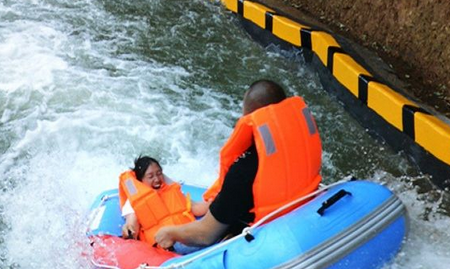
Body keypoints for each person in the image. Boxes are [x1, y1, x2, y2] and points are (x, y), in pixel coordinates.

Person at [154, 79, 322, 250]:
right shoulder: (302, 141)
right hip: (302, 216)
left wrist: (170, 233)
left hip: (263, 238)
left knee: (173, 242)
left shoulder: (243, 170)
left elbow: (204, 235)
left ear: (249, 117)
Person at [118, 156, 209, 245]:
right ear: (140, 180)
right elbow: (131, 223)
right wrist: (128, 229)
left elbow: (195, 207)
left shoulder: (172, 192)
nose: (157, 179)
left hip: (187, 235)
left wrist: (216, 204)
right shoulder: (134, 202)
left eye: (159, 173)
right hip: (167, 246)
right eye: (151, 176)